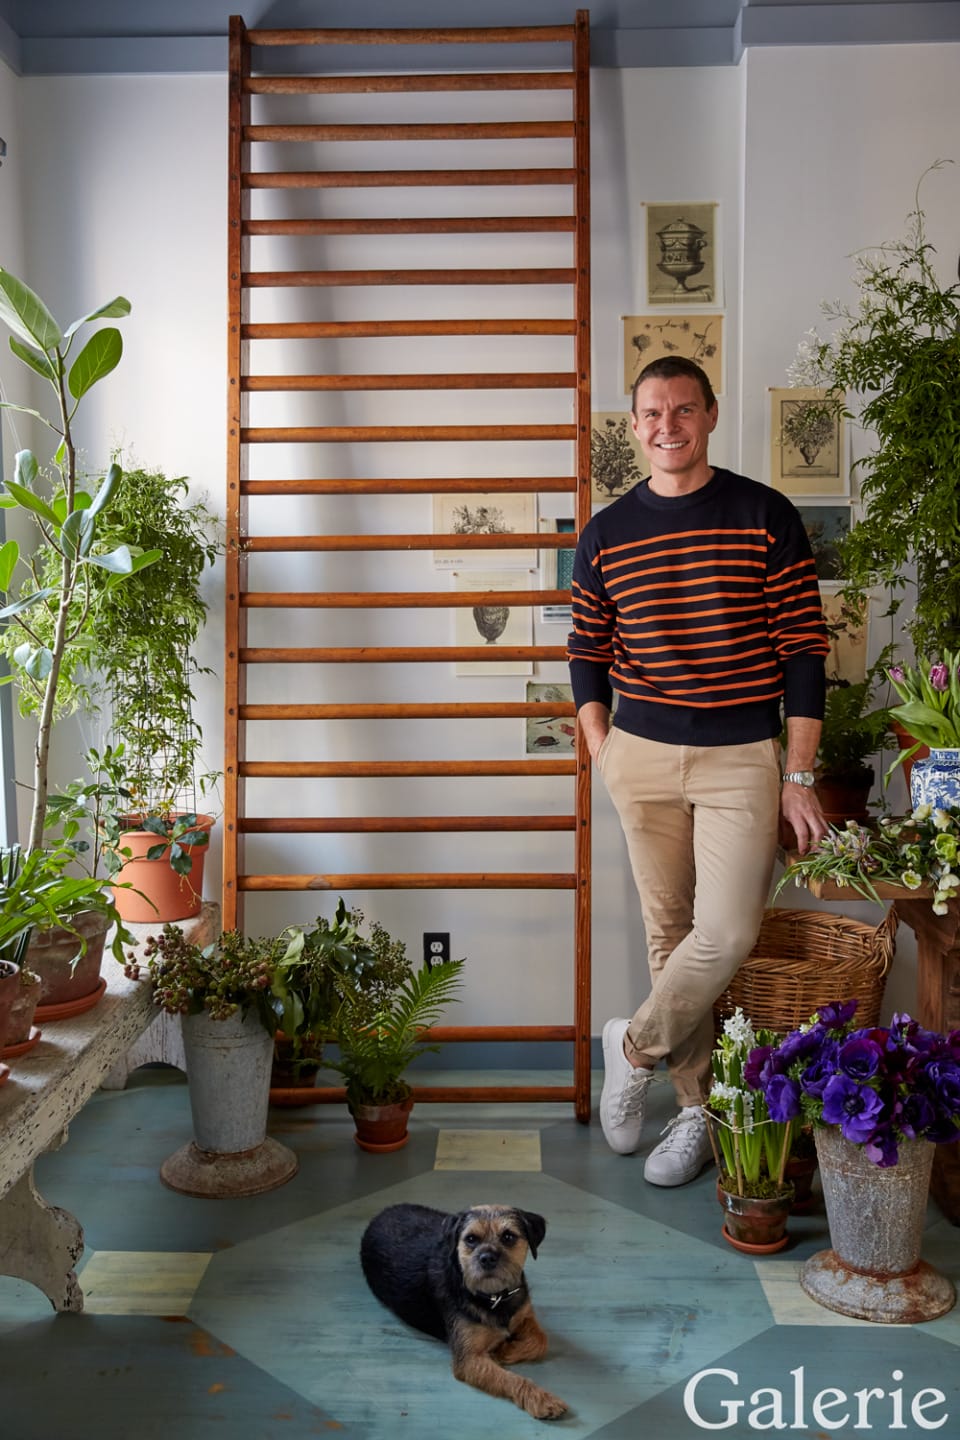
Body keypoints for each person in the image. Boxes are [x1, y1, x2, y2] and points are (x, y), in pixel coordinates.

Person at [568, 356, 829, 1185]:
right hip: (638, 756)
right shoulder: (606, 533)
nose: (667, 425)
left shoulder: (763, 513)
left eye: (683, 409)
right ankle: (692, 1111)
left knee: (726, 932)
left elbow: (804, 651)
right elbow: (586, 647)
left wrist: (798, 774)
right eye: (651, 412)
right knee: (668, 934)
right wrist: (600, 742)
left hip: (739, 758)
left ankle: (632, 1044)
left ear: (710, 416)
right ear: (634, 424)